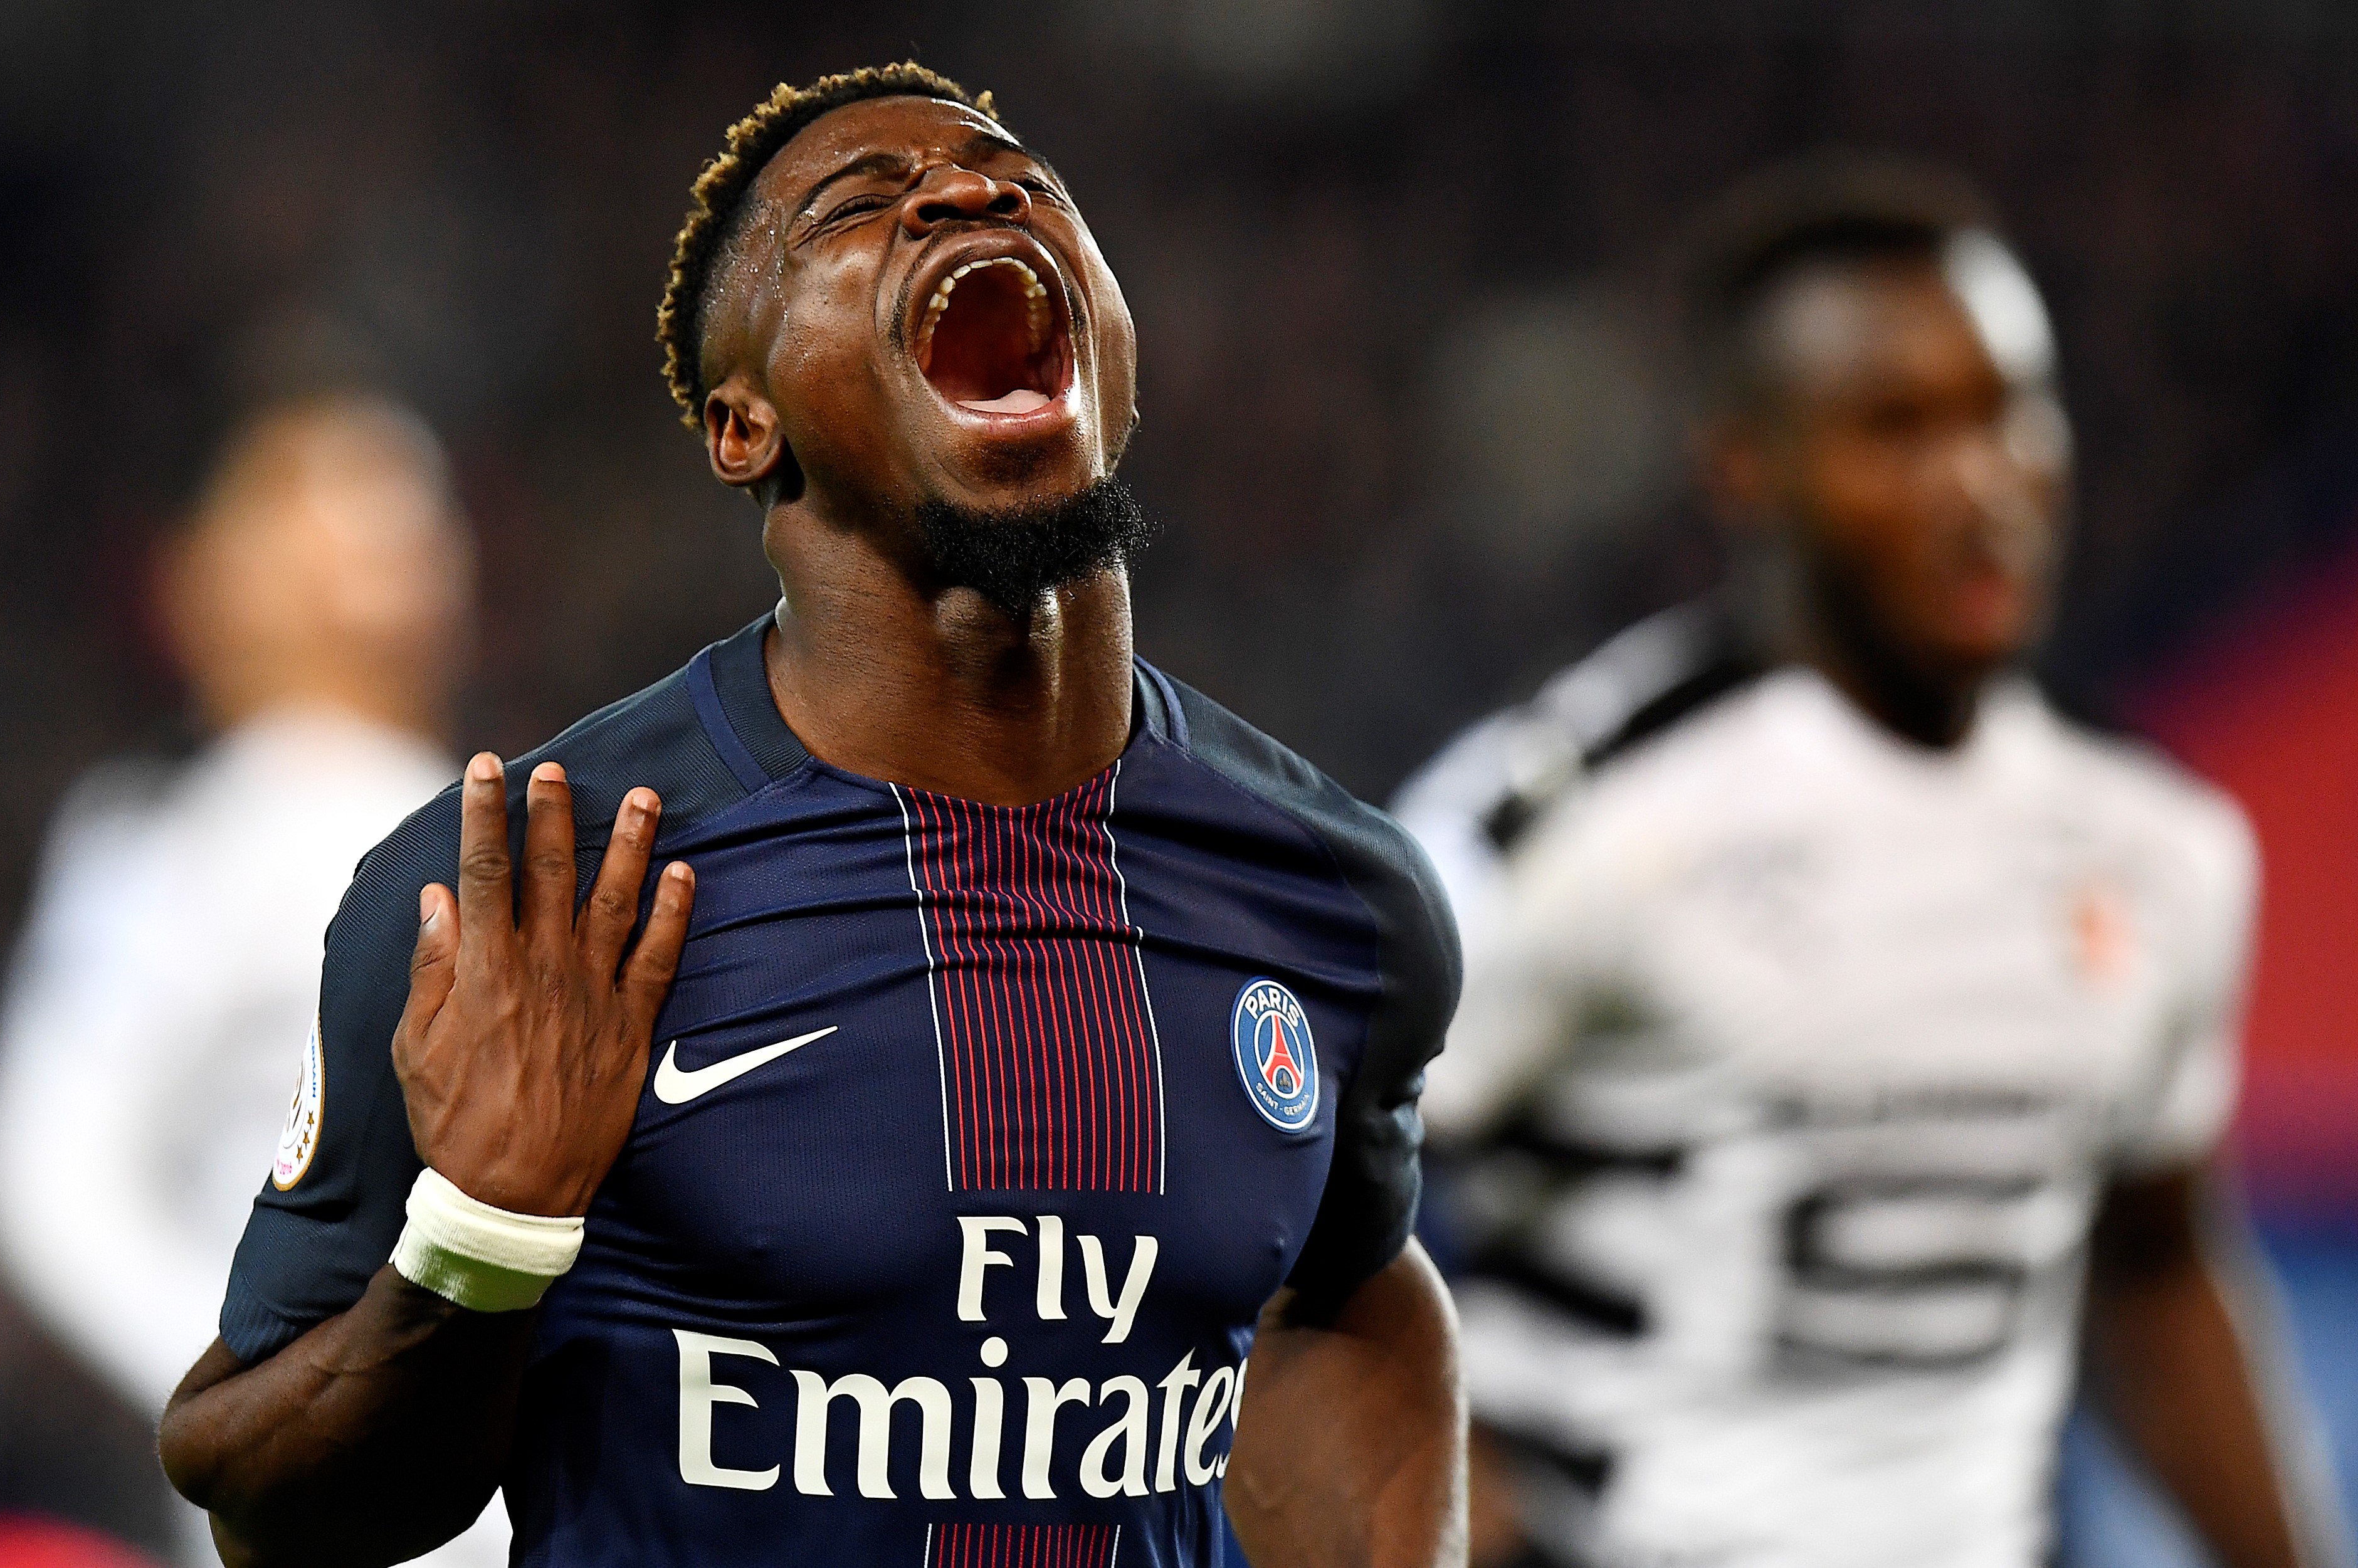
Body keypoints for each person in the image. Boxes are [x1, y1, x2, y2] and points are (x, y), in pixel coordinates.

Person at [157, 63, 1466, 1567]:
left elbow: (1354, 1292)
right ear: (742, 424)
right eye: (858, 208)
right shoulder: (532, 894)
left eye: (1023, 182)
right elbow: (261, 1507)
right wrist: (484, 1239)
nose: (969, 195)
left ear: (1111, 341)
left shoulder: (1338, 900)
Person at [1392, 157, 2351, 1568]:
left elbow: (2150, 1265)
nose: (1978, 481)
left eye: (2007, 411)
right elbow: (1270, 1224)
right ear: (1744, 463)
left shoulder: (2155, 845)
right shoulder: (1574, 824)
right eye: (1893, 427)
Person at [0, 392, 512, 1566]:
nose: (391, 518)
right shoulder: (179, 832)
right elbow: (44, 1168)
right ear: (211, 571)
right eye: (323, 487)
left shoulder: (487, 804)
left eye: (410, 488)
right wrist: (253, 1382)